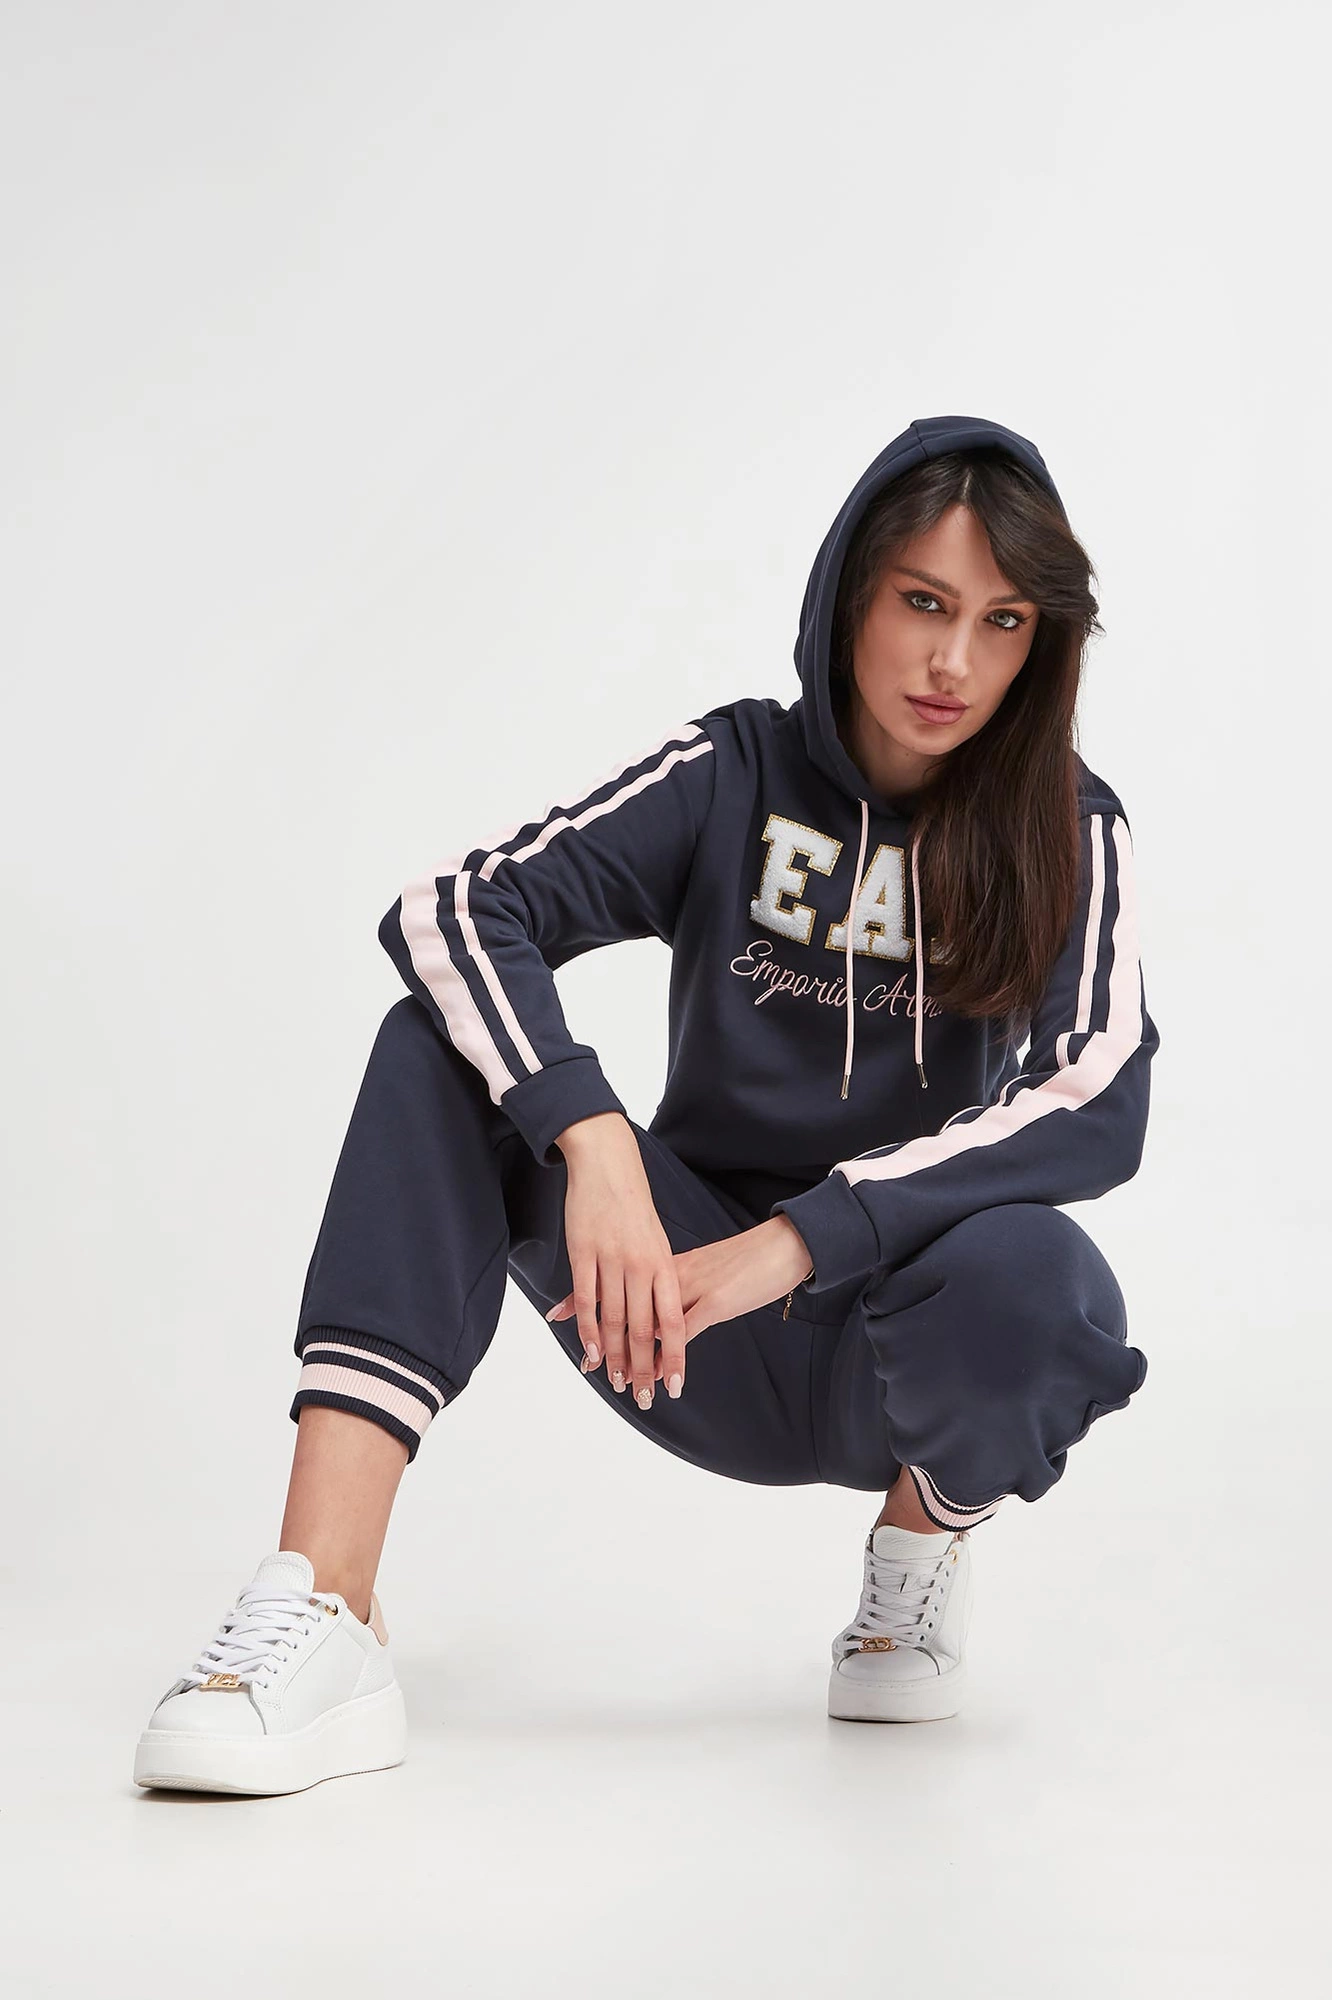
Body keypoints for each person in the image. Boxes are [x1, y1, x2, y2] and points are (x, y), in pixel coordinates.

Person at [133, 413, 1159, 1794]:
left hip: (893, 1350)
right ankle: (324, 1605)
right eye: (923, 602)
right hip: (673, 1317)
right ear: (850, 591)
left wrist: (803, 1240)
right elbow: (457, 908)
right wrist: (596, 1138)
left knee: (1045, 1279)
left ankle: (916, 1560)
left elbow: (1098, 1091)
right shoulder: (733, 773)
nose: (953, 664)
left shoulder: (1066, 826)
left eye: (1003, 622)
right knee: (435, 1048)